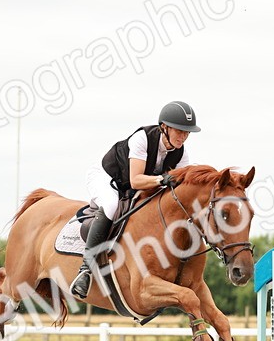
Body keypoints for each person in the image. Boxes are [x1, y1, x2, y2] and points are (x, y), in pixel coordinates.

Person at [71, 100, 200, 299]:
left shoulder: (182, 154)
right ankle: (85, 270)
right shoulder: (142, 139)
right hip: (108, 178)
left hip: (132, 188)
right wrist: (161, 179)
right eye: (179, 131)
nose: (183, 136)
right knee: (112, 206)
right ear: (164, 127)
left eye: (187, 132)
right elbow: (136, 180)